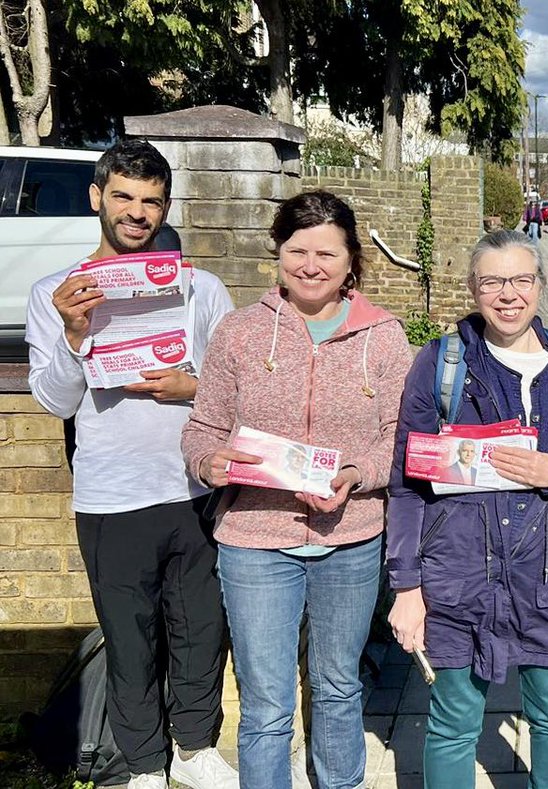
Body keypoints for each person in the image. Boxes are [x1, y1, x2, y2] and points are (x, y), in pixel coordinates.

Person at [181, 190, 413, 788]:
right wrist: (210, 463)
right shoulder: (238, 332)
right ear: (277, 254)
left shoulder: (384, 338)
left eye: (327, 253)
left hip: (352, 539)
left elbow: (401, 438)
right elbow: (203, 427)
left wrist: (356, 474)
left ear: (351, 260)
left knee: (339, 688)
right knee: (264, 703)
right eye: (297, 250)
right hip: (255, 542)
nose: (311, 265)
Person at [25, 139, 238, 789]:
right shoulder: (55, 293)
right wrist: (70, 335)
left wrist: (191, 386)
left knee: (203, 629)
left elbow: (233, 386)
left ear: (166, 206)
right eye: (123, 196)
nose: (137, 212)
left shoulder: (201, 287)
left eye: (151, 201)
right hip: (111, 495)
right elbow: (56, 398)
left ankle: (195, 749)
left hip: (192, 487)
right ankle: (144, 763)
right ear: (97, 198)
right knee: (131, 638)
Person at [386, 230, 548, 789]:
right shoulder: (440, 366)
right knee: (453, 723)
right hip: (456, 578)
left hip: (547, 579)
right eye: (492, 281)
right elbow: (406, 484)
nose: (507, 294)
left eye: (520, 280)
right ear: (473, 288)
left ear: (540, 285)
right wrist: (406, 586)